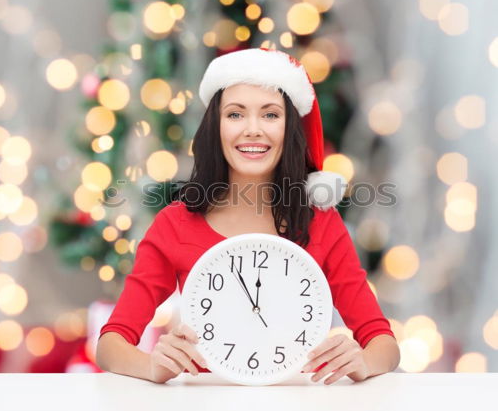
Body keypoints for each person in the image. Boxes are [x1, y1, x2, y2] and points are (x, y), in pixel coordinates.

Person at [96, 48, 400, 385]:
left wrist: (363, 360)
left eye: (270, 115)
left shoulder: (320, 221)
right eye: (236, 114)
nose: (253, 129)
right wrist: (152, 366)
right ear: (216, 127)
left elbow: (383, 342)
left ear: (290, 128)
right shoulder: (175, 223)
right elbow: (111, 344)